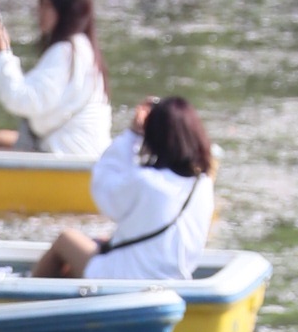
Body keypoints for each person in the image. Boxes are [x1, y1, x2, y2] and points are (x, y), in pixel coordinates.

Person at [31, 96, 215, 283]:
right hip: (175, 278)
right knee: (101, 241)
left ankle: (28, 296)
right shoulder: (203, 183)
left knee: (66, 239)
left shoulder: (147, 182)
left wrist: (133, 134)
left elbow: (103, 187)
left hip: (127, 278)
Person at [0, 0, 110, 161]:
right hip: (80, 151)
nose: (39, 12)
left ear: (66, 12)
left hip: (70, 155)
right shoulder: (82, 48)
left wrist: (1, 52)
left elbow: (22, 99)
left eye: (47, 6)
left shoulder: (66, 52)